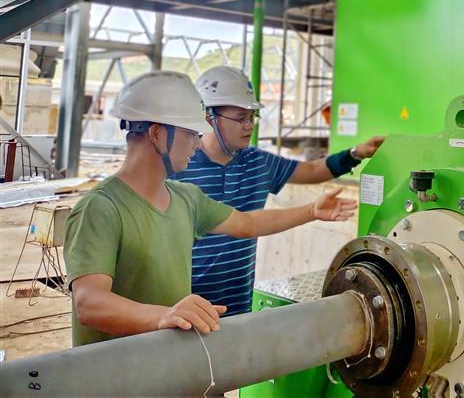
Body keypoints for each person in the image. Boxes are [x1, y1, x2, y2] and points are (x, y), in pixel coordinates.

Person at [63, 71, 357, 346]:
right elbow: (90, 304)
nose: (197, 143)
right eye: (191, 133)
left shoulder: (185, 198)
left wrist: (311, 211)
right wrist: (163, 316)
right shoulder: (100, 208)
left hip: (168, 366)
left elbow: (247, 224)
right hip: (115, 373)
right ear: (157, 134)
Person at [172, 66, 383, 317]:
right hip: (185, 306)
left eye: (252, 117)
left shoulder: (258, 162)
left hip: (238, 305)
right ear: (209, 117)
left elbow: (312, 170)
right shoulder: (180, 165)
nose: (249, 126)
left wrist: (355, 154)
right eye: (240, 118)